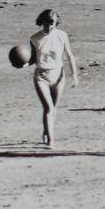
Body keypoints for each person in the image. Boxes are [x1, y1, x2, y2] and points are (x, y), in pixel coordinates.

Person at [27, 9, 78, 147]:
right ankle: (51, 140)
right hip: (41, 76)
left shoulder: (62, 35)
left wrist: (74, 75)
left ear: (56, 23)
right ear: (41, 22)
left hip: (58, 76)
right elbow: (33, 58)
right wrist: (24, 63)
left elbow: (69, 55)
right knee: (48, 108)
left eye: (52, 24)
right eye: (46, 24)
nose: (49, 27)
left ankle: (46, 130)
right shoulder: (35, 38)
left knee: (53, 108)